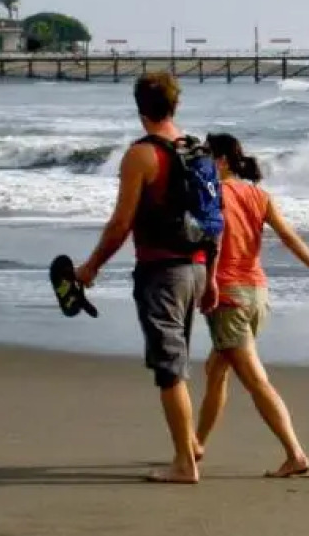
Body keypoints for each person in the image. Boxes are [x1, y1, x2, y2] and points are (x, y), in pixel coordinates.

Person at [76, 72, 216, 485]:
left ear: (140, 109)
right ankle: (190, 446)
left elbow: (121, 224)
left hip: (162, 272)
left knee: (170, 370)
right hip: (197, 268)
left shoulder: (141, 155)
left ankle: (185, 463)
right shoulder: (198, 150)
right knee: (179, 359)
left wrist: (92, 266)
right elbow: (215, 221)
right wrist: (212, 277)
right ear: (176, 105)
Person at [195, 132, 309, 478]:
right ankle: (195, 445)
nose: (200, 162)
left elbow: (211, 240)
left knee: (256, 381)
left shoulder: (214, 193)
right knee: (216, 370)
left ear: (221, 160)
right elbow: (289, 237)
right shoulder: (259, 195)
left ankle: (295, 453)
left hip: (228, 296)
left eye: (206, 155)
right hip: (257, 294)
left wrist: (206, 282)